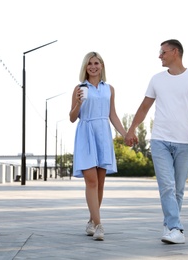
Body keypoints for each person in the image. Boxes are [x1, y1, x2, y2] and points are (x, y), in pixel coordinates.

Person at [125, 39, 188, 244]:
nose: (159, 56)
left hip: (185, 141)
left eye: (163, 52)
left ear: (175, 52)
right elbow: (144, 107)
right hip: (160, 139)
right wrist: (132, 128)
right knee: (167, 186)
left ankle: (169, 224)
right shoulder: (156, 79)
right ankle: (175, 228)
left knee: (178, 189)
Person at [69, 51, 127, 241]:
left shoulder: (109, 89)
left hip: (103, 133)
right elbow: (71, 117)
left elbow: (113, 115)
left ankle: (91, 221)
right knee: (91, 182)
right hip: (85, 133)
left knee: (100, 184)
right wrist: (78, 103)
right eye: (89, 64)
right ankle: (99, 225)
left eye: (96, 63)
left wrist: (125, 134)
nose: (93, 66)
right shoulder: (79, 88)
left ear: (101, 66)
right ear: (85, 67)